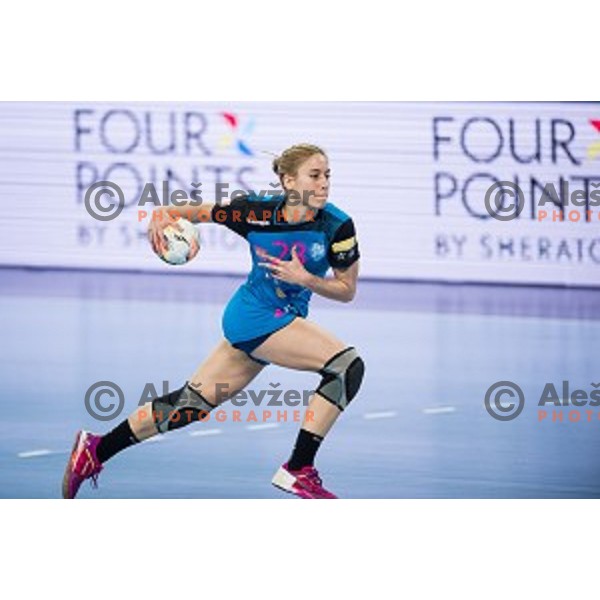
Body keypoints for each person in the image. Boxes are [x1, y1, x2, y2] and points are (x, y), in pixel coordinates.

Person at [62, 143, 365, 499]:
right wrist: (163, 213)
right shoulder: (256, 212)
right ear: (287, 181)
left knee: (189, 406)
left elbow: (346, 290)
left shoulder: (337, 226)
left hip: (279, 320)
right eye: (314, 175)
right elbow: (199, 212)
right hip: (255, 317)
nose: (324, 183)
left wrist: (306, 279)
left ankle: (96, 449)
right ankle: (298, 468)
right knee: (347, 367)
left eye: (327, 175)